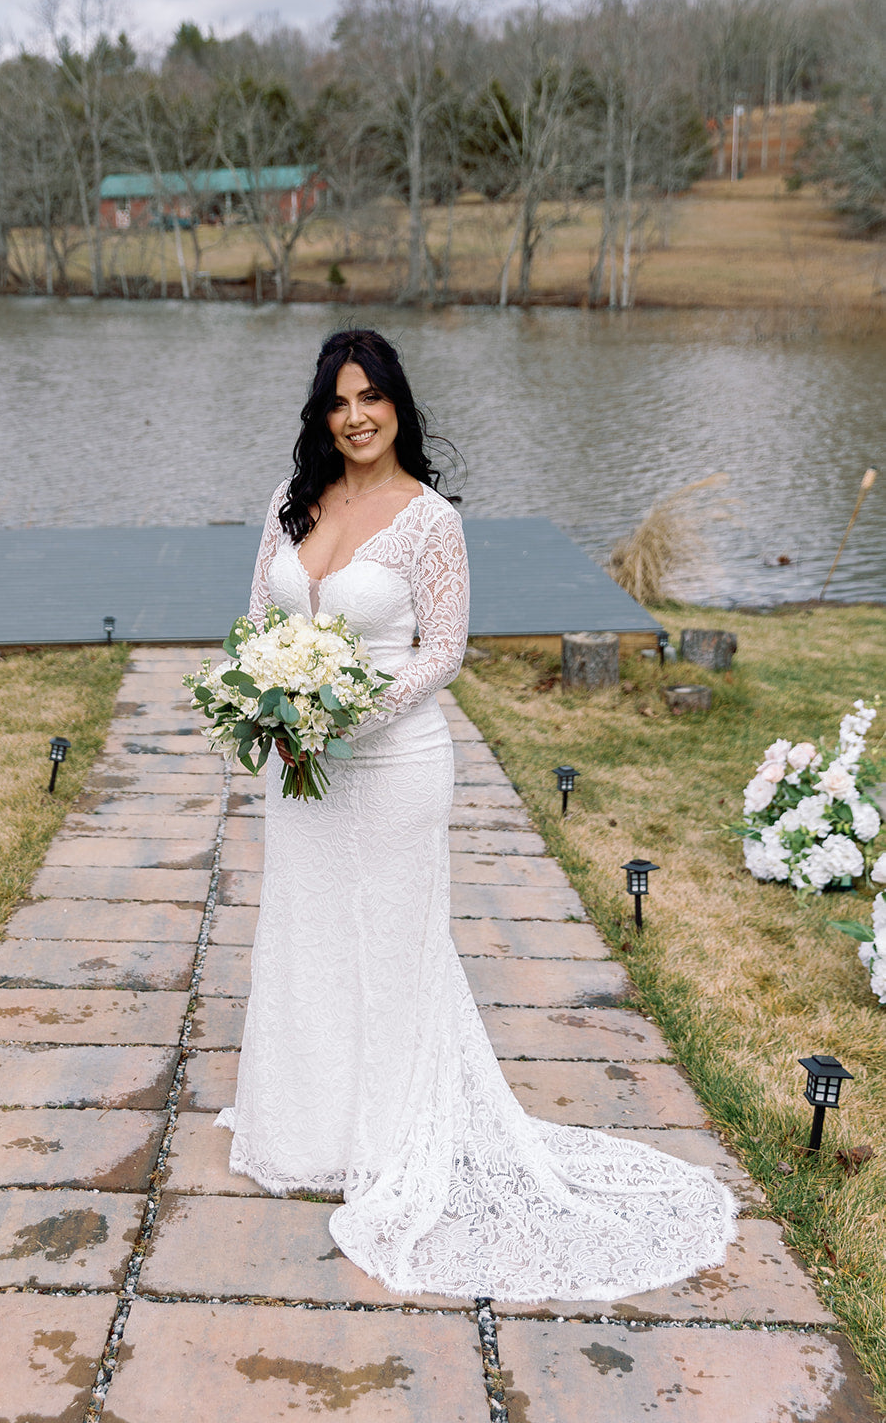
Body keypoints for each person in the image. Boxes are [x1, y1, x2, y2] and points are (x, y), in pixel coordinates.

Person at [217, 327, 737, 1300]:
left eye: (370, 396)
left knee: (390, 940)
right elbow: (257, 624)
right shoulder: (288, 506)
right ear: (319, 413)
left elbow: (443, 648)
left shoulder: (428, 520)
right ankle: (305, 1128)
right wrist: (270, 708)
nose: (355, 415)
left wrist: (347, 713)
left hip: (395, 761)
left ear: (399, 406)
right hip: (301, 767)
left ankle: (384, 1138)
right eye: (337, 399)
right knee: (306, 929)